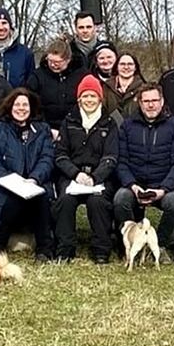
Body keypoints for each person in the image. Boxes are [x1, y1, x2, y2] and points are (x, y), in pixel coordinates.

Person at [114, 83, 174, 263]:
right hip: (135, 184)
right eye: (146, 101)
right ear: (139, 103)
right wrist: (133, 186)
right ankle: (131, 245)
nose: (151, 105)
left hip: (164, 185)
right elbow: (121, 162)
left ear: (162, 102)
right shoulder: (127, 126)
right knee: (120, 199)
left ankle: (159, 245)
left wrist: (163, 189)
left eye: (155, 100)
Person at [0, 88, 56, 261]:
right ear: (10, 107)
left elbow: (47, 158)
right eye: (17, 105)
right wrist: (12, 181)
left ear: (31, 108)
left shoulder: (42, 130)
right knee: (11, 200)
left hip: (34, 184)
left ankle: (44, 249)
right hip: (5, 185)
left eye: (25, 105)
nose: (21, 108)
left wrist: (35, 178)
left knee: (42, 198)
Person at [53, 75, 118, 263]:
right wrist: (75, 174)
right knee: (65, 200)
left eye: (93, 96)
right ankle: (65, 249)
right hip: (72, 175)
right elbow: (61, 155)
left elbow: (111, 157)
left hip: (99, 177)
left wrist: (95, 177)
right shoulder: (69, 121)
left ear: (100, 98)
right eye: (85, 96)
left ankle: (101, 250)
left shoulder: (110, 123)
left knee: (97, 202)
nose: (89, 100)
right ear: (79, 98)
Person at [25, 38, 85, 133]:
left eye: (57, 62)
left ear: (68, 60)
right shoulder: (37, 76)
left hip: (75, 127)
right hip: (44, 127)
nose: (53, 65)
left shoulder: (81, 75)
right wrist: (46, 128)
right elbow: (31, 104)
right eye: (50, 61)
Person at [0, 7, 35, 88]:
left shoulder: (25, 54)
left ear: (10, 26)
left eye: (4, 23)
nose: (1, 28)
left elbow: (31, 86)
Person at [104, 52, 145, 119]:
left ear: (135, 68)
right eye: (122, 64)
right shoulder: (105, 88)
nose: (126, 67)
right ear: (117, 67)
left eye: (130, 64)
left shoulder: (144, 88)